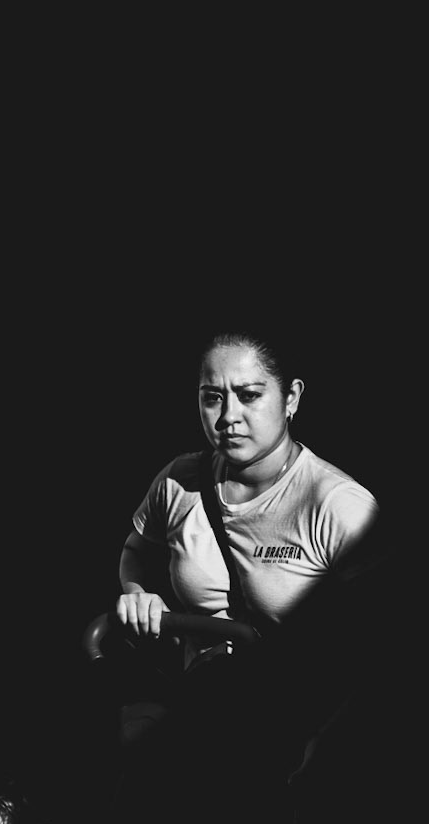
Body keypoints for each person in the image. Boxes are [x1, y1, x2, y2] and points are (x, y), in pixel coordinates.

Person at [110, 328, 380, 799]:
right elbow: (136, 550)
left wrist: (327, 745)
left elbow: (384, 647)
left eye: (249, 395)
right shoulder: (180, 481)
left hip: (294, 740)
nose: (228, 417)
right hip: (200, 716)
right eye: (212, 397)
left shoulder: (337, 505)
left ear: (291, 398)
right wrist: (136, 592)